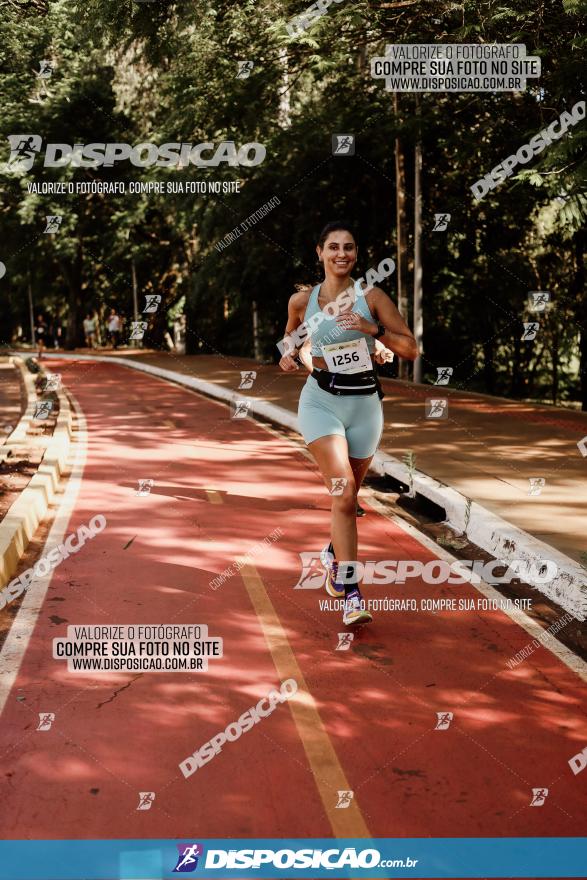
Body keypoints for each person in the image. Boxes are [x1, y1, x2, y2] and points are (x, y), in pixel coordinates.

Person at [279, 221, 418, 626]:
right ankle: (351, 593)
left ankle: (331, 553)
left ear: (357, 254)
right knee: (342, 496)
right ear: (319, 252)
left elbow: (410, 347)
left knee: (349, 498)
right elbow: (290, 339)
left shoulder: (371, 297)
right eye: (334, 247)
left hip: (366, 406)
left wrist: (373, 332)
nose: (343, 254)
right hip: (321, 402)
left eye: (350, 248)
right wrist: (291, 355)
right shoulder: (301, 300)